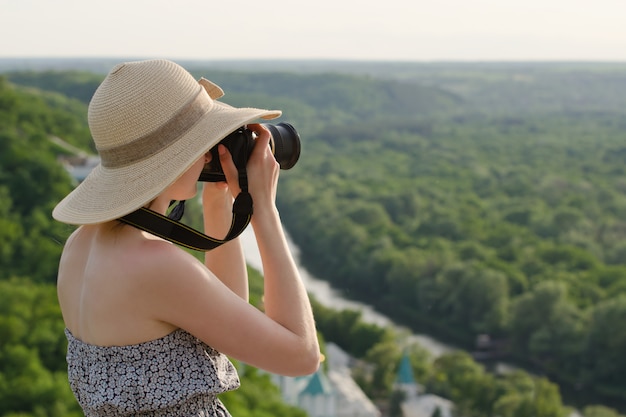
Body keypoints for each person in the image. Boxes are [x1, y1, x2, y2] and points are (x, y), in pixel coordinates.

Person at [53, 59, 320, 416]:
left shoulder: (80, 246)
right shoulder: (154, 265)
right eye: (202, 142)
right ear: (174, 158)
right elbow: (301, 357)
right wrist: (265, 213)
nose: (209, 152)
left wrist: (219, 202)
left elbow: (221, 326)